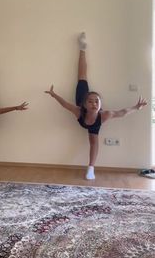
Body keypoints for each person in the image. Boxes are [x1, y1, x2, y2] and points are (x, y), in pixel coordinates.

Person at [45, 32, 147, 180]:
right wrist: (54, 95)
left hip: (93, 124)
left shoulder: (104, 115)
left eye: (97, 101)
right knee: (82, 77)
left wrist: (136, 107)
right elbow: (64, 104)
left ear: (100, 105)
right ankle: (82, 49)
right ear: (85, 104)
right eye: (91, 101)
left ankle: (91, 169)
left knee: (93, 142)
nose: (94, 103)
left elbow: (122, 112)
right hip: (82, 102)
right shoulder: (79, 110)